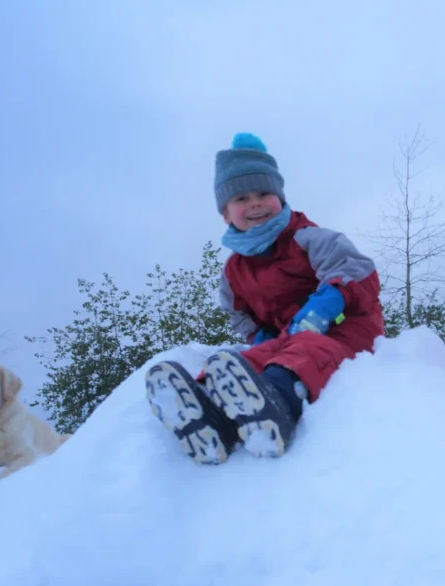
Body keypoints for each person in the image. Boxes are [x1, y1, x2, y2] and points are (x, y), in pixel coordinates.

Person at [145, 132, 384, 462]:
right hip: (289, 336)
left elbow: (355, 269)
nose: (255, 203)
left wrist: (324, 307)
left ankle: (280, 401)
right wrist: (259, 335)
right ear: (226, 214)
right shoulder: (234, 271)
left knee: (307, 349)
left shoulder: (309, 238)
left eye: (264, 193)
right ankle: (206, 409)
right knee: (246, 359)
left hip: (347, 331)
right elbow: (237, 312)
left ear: (281, 199)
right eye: (241, 199)